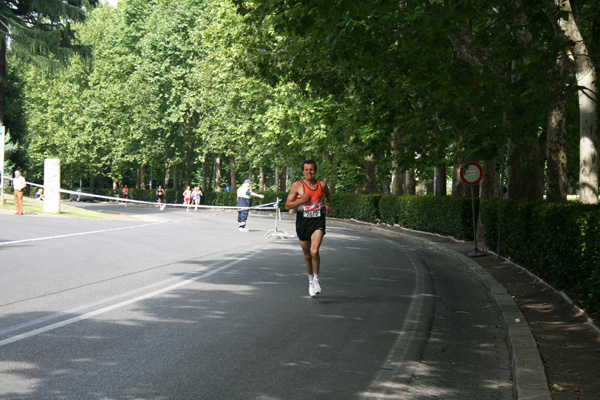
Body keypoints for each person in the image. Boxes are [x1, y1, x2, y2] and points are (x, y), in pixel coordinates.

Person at [285, 160, 332, 297]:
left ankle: (317, 280)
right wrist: (300, 200)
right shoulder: (297, 185)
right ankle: (310, 280)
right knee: (307, 255)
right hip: (303, 223)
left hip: (317, 221)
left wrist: (328, 204)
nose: (309, 172)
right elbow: (287, 206)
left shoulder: (321, 185)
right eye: (306, 170)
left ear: (315, 171)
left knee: (314, 251)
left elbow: (328, 195)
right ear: (303, 171)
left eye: (311, 170)